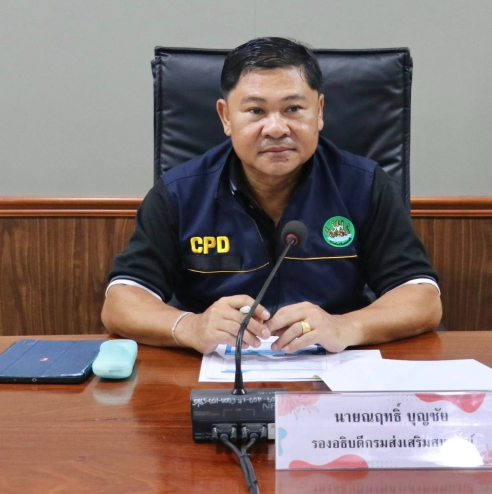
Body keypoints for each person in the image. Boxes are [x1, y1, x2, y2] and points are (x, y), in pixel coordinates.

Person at [102, 37, 442, 355]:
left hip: (335, 371)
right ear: (226, 117)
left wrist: (345, 326)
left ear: (319, 111)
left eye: (293, 109)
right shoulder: (180, 192)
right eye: (256, 111)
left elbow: (422, 297)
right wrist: (191, 326)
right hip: (213, 371)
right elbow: (121, 301)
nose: (276, 128)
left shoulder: (363, 185)